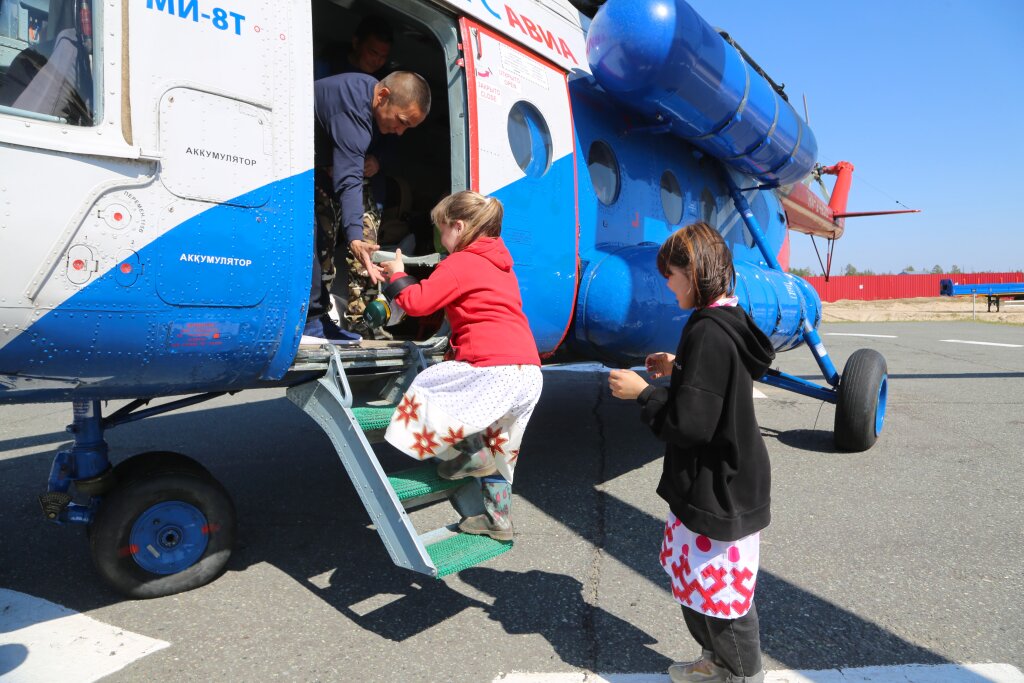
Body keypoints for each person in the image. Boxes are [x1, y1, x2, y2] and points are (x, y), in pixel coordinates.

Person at [608, 222, 775, 683]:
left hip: (717, 484)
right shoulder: (727, 319)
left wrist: (644, 394)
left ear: (695, 272)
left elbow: (690, 424)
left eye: (671, 274)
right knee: (705, 585)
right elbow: (715, 382)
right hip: (728, 477)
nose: (666, 283)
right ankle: (716, 661)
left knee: (722, 595)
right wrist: (678, 366)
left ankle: (741, 675)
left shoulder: (707, 332)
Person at [380, 191, 543, 540]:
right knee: (500, 447)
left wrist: (395, 276)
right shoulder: (502, 265)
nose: (441, 240)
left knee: (429, 385)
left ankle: (471, 455)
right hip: (527, 371)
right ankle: (498, 521)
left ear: (458, 226)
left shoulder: (461, 261)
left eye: (442, 231)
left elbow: (420, 303)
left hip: (493, 367)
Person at [304, 70, 430, 344]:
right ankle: (311, 320)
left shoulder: (366, 96)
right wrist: (355, 238)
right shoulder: (354, 110)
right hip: (302, 175)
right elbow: (350, 179)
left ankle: (328, 319)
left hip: (314, 172)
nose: (400, 132)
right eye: (402, 121)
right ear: (383, 96)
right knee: (312, 235)